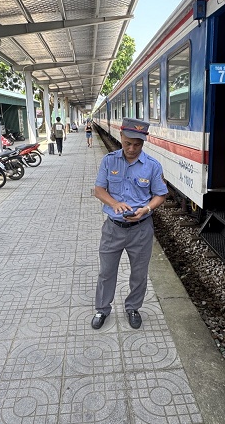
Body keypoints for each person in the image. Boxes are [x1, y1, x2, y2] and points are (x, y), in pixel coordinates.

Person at [91, 118, 167, 330]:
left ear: (144, 142)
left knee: (139, 273)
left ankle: (133, 308)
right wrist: (115, 204)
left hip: (141, 230)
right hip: (113, 229)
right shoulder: (109, 161)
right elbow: (99, 190)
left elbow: (160, 195)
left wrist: (148, 209)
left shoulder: (152, 166)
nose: (132, 148)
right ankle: (102, 309)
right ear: (121, 137)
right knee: (106, 271)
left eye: (138, 144)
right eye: (128, 143)